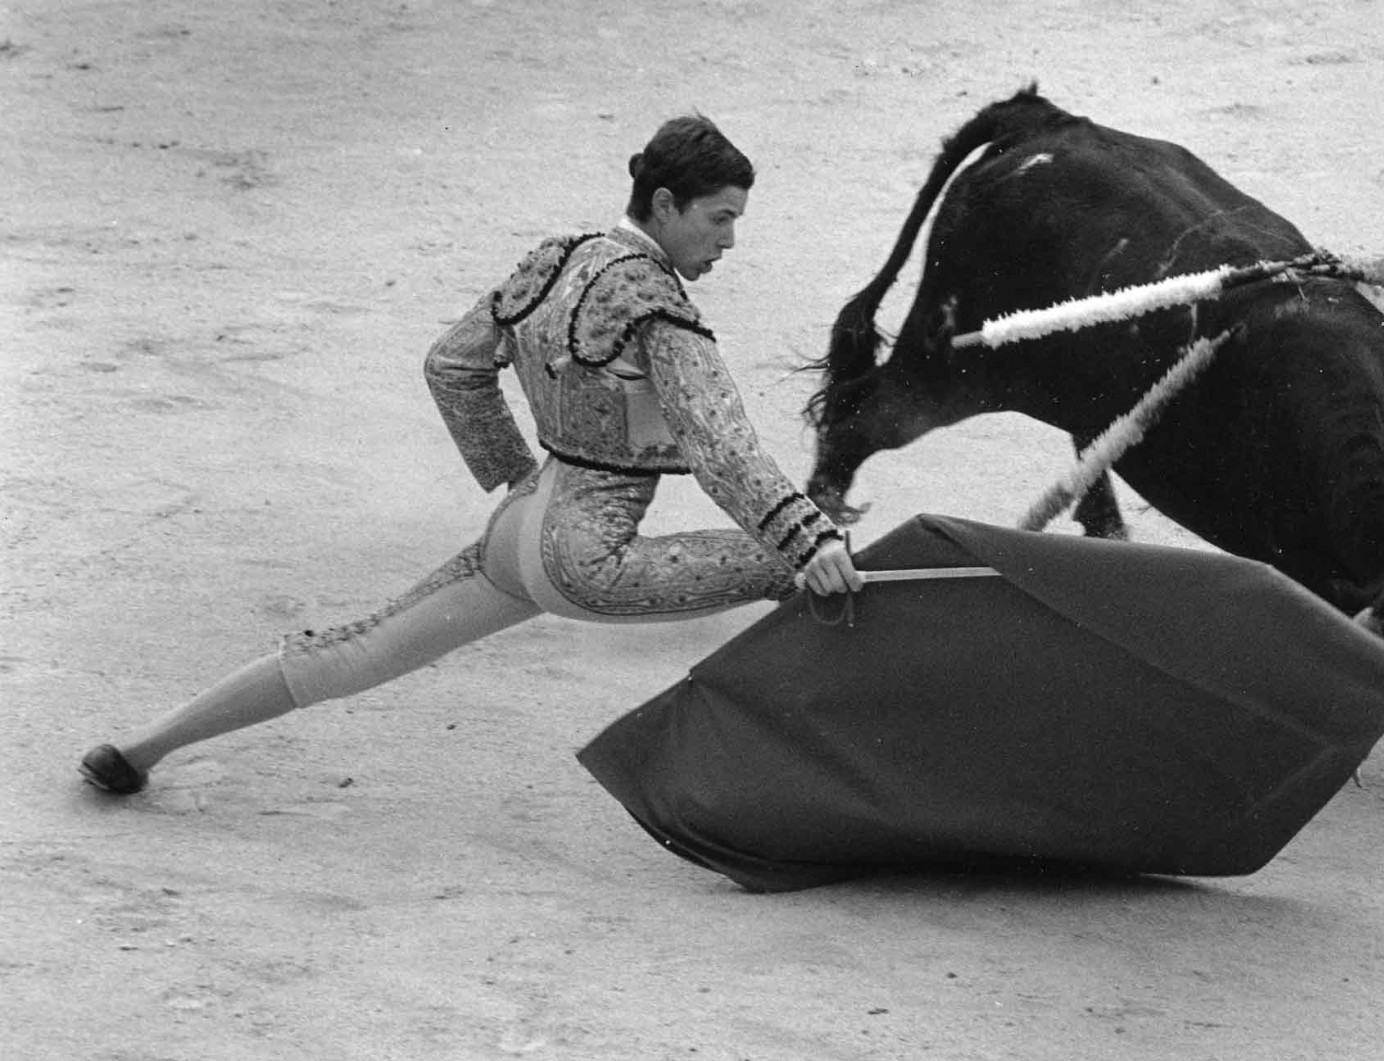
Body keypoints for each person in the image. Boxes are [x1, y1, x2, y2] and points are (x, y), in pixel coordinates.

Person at [79, 114, 862, 796]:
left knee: (354, 650)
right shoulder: (657, 304)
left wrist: (515, 472)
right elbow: (721, 446)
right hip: (587, 559)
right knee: (823, 567)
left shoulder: (557, 256)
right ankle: (817, 787)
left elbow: (451, 363)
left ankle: (141, 748)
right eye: (719, 218)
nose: (730, 240)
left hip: (517, 534)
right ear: (666, 205)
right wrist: (808, 535)